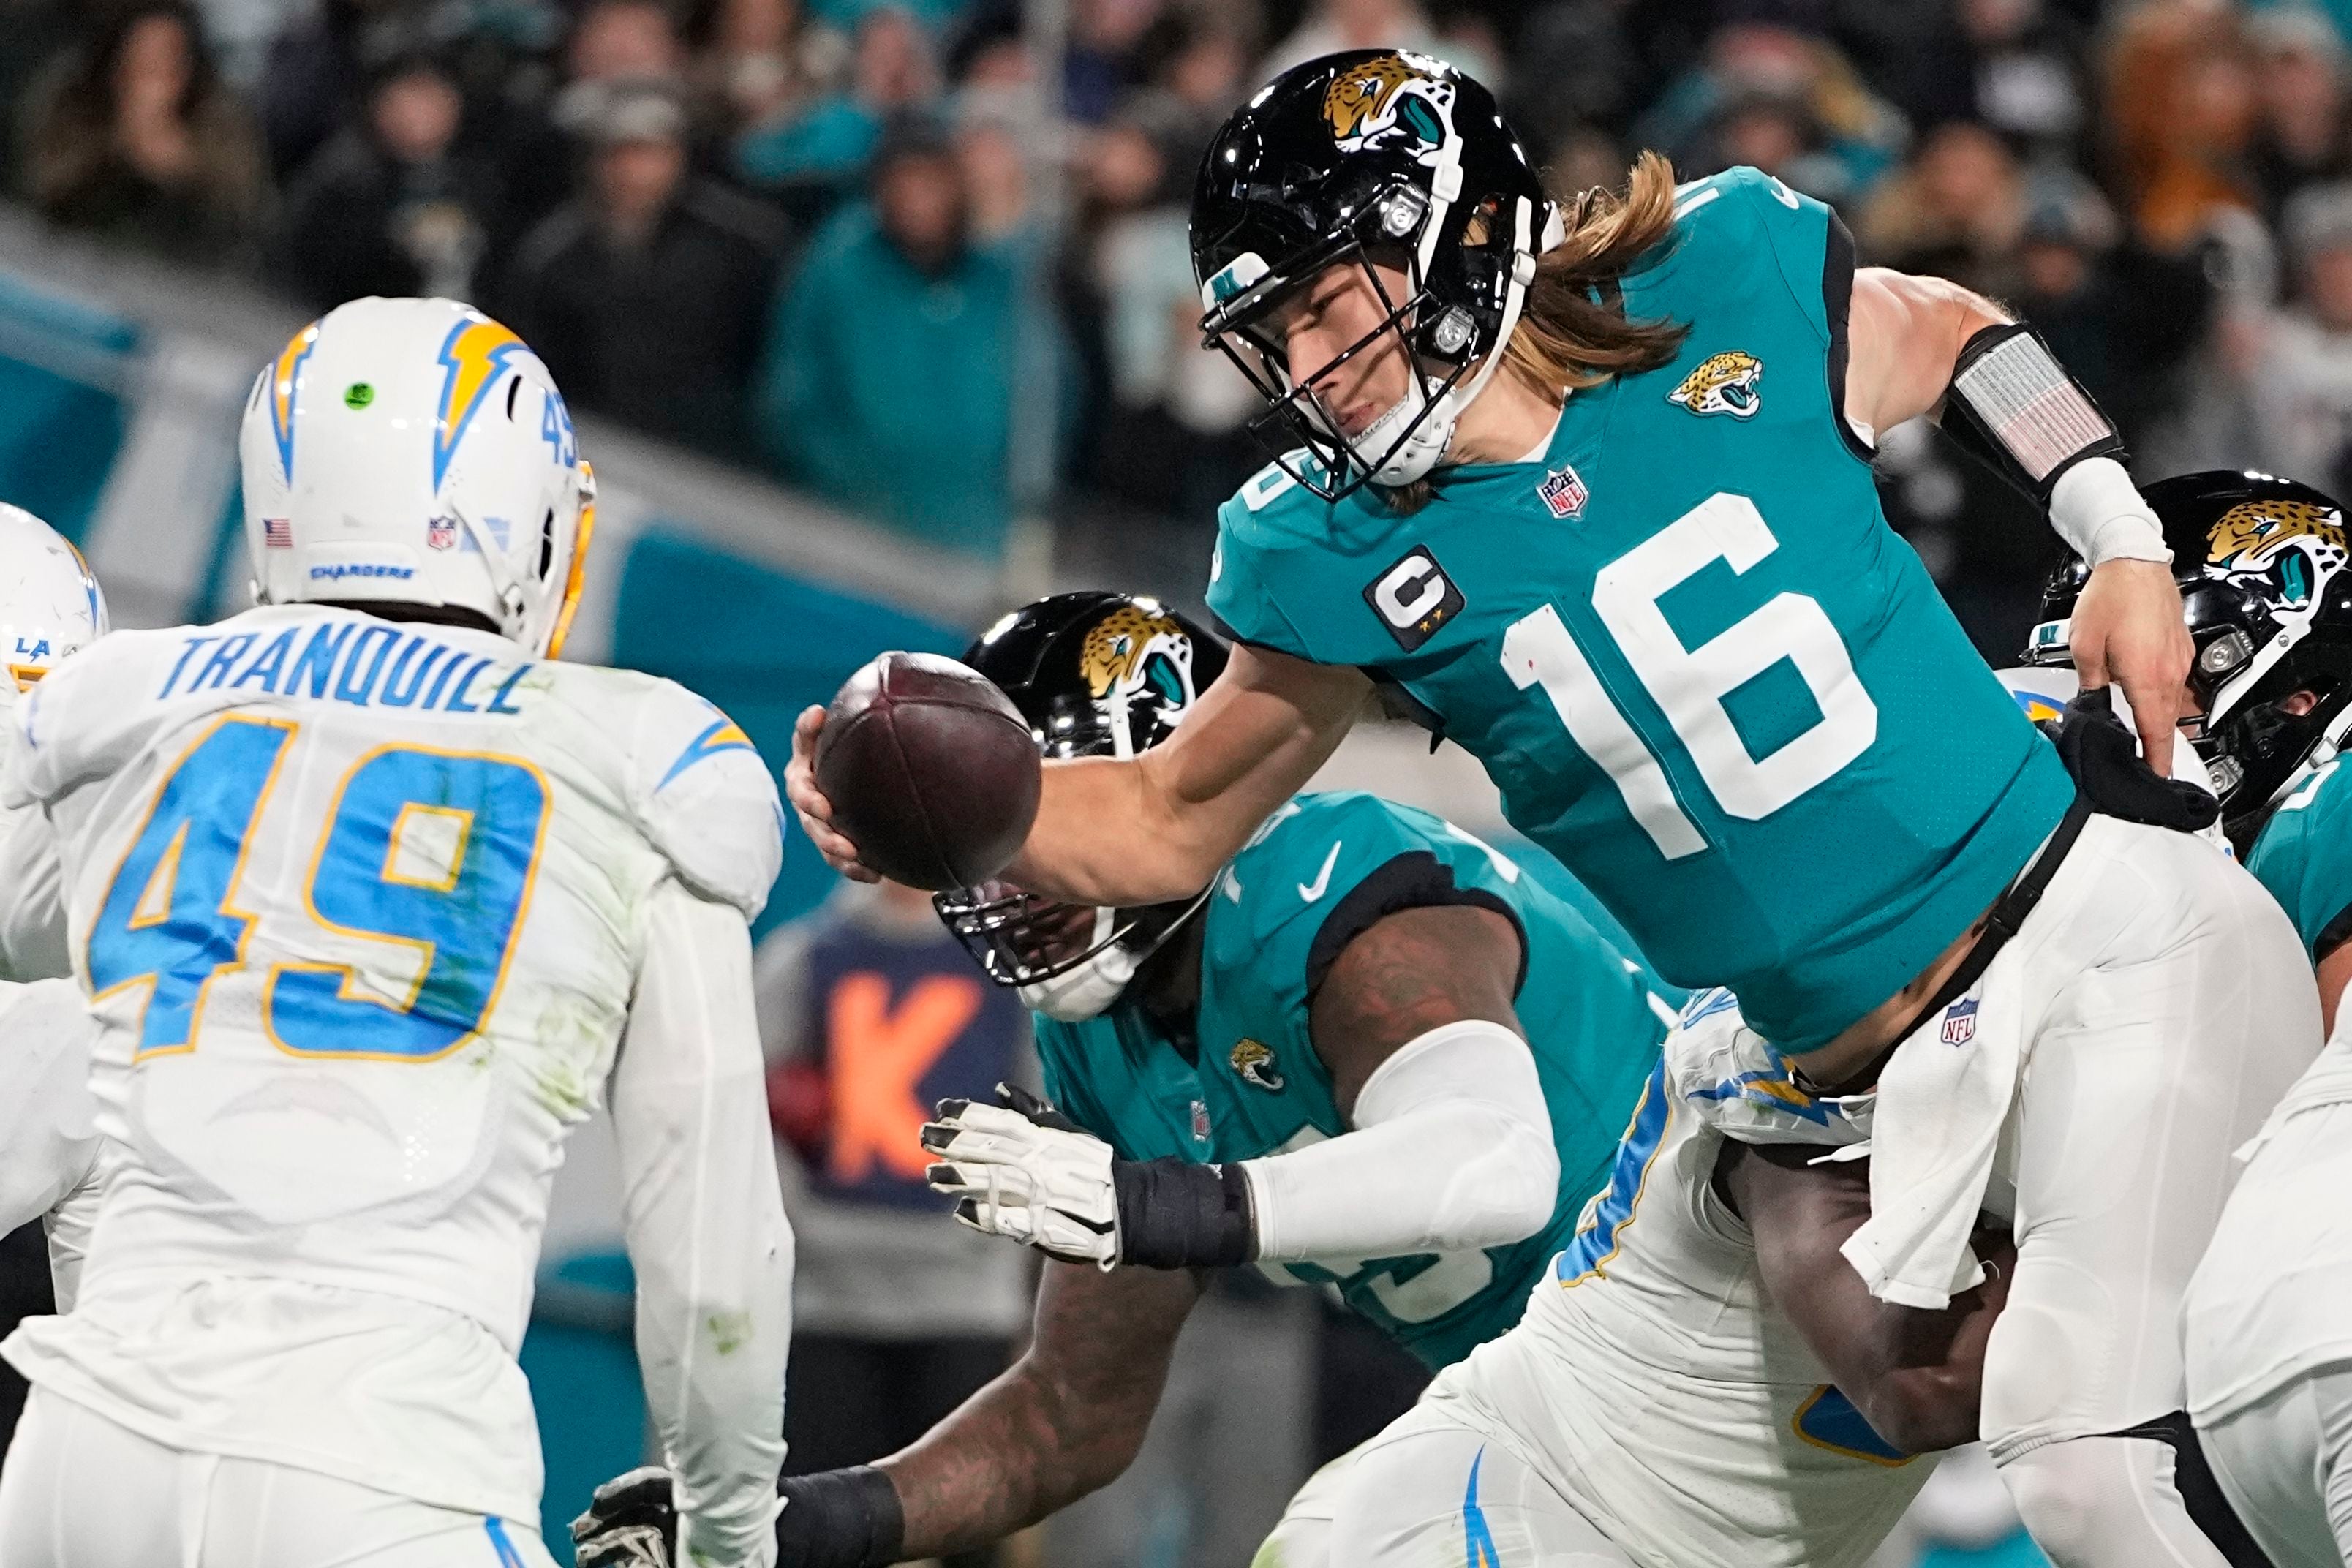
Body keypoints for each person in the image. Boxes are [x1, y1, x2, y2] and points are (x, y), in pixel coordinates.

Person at [785, 52, 2320, 1567]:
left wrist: (2117, 528)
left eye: (1328, 301)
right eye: (1275, 333)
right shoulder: (1318, 550)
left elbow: (1959, 332)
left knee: (2087, 1472)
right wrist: (953, 819)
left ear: (1450, 227)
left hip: (2081, 930)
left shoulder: (1718, 273)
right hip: (1829, 1083)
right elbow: (1172, 819)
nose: (1311, 365)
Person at [570, 589, 1673, 1567]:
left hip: (1721, 1334)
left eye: (1042, 824)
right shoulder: (1100, 1038)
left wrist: (1148, 1204)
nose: (1011, 886)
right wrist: (786, 1528)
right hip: (1563, 1403)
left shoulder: (1333, 895)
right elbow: (1066, 1416)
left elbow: (1495, 1164)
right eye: (988, 846)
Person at [0, 298, 793, 1568]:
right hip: (378, 1459)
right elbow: (712, 1266)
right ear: (524, 513)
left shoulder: (123, 708)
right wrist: (731, 1529)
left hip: (76, 1454)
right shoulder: (640, 762)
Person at [753, 872, 1033, 1568]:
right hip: (826, 1310)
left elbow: (1045, 1120)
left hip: (965, 1309)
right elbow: (746, 1118)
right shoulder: (804, 956)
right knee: (811, 1538)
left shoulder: (1013, 974)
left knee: (970, 1539)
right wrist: (800, 1235)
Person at [504, 79, 784, 459]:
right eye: (620, 153)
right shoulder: (550, 257)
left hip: (717, 460)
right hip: (597, 455)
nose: (635, 170)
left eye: (650, 152)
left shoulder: (741, 243)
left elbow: (766, 358)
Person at [20, 0, 268, 265]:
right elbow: (39, 195)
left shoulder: (221, 127)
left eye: (167, 63)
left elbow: (244, 229)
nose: (153, 75)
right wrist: (121, 146)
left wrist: (177, 166)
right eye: (141, 61)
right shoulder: (73, 99)